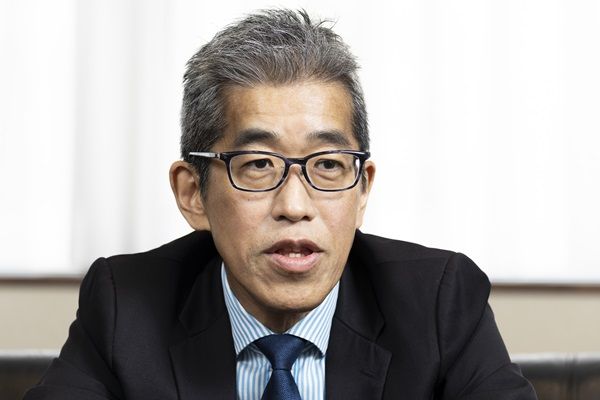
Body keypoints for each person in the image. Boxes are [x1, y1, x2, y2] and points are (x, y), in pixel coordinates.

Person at [25, 9, 537, 400]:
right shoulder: (126, 306)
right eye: (258, 165)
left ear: (362, 189)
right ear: (192, 192)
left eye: (328, 165)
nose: (295, 205)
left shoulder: (439, 303)